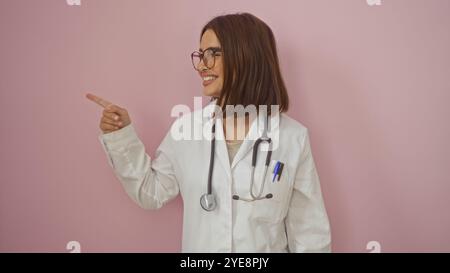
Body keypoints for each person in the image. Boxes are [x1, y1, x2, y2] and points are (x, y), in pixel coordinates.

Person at [86, 12, 331, 252]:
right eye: (201, 55)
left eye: (214, 53)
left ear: (246, 56)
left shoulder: (292, 137)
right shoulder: (186, 130)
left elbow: (309, 232)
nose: (202, 65)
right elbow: (151, 193)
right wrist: (121, 136)